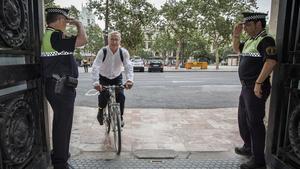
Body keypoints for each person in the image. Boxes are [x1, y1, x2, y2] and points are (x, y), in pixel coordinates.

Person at [40, 7, 87, 169]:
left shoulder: (51, 36)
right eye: (66, 21)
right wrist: (79, 25)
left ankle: (60, 156)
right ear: (60, 20)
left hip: (57, 87)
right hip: (60, 88)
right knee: (63, 125)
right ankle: (60, 163)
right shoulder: (54, 36)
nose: (67, 24)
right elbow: (82, 41)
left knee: (61, 123)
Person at [232, 12, 278, 169]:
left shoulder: (266, 40)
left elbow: (271, 62)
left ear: (259, 24)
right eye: (244, 25)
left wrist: (259, 83)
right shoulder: (252, 40)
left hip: (255, 88)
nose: (245, 28)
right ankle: (248, 147)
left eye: (248, 25)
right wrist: (236, 35)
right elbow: (237, 49)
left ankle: (258, 160)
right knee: (243, 119)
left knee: (255, 123)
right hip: (246, 87)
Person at [91, 31, 133, 127]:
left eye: (116, 39)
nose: (114, 42)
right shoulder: (103, 51)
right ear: (108, 40)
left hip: (117, 77)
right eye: (112, 39)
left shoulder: (124, 52)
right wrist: (96, 82)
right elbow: (96, 67)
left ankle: (120, 117)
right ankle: (100, 111)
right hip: (103, 77)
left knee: (121, 96)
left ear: (120, 41)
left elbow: (128, 66)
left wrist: (129, 80)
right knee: (103, 96)